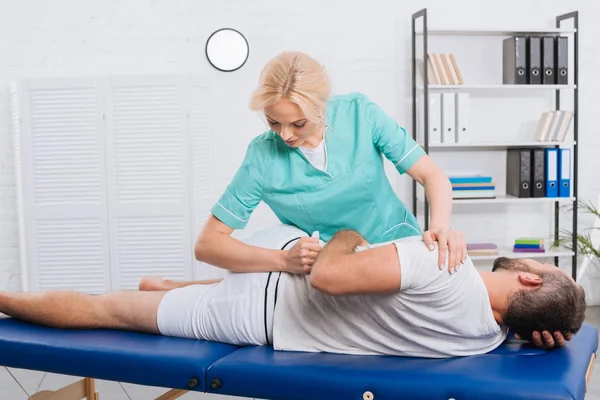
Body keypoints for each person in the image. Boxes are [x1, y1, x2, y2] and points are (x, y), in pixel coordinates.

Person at [0, 225, 585, 358]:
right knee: (200, 284)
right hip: (275, 297)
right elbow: (527, 326)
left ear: (530, 279)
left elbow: (329, 275)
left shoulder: (442, 263)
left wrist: (346, 234)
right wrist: (540, 333)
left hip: (256, 308)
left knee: (109, 311)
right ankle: (170, 288)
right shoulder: (485, 338)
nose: (535, 260)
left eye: (544, 268)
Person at [193, 50, 466, 277]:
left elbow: (431, 175)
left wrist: (440, 227)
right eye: (273, 122)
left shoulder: (360, 114)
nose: (285, 135)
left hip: (400, 247)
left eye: (298, 124)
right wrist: (283, 260)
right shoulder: (263, 156)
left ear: (321, 105)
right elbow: (208, 245)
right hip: (337, 270)